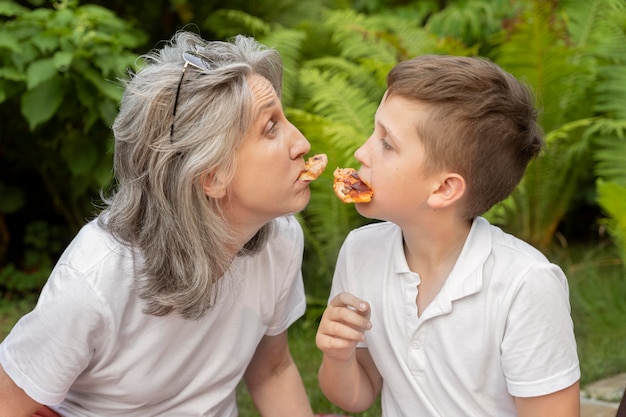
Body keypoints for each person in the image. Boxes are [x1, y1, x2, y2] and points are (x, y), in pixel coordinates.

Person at [0, 31, 316, 417]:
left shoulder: (279, 239)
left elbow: (272, 370)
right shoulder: (93, 283)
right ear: (211, 175)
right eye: (271, 128)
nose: (301, 143)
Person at [315, 55, 580, 416]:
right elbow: (357, 396)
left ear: (442, 189)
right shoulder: (362, 252)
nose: (362, 151)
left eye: (387, 143)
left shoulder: (525, 285)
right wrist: (337, 354)